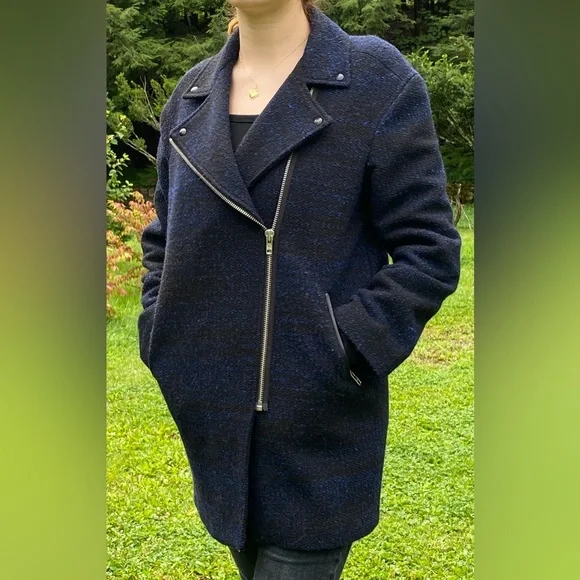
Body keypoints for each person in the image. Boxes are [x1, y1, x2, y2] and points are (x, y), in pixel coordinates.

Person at [137, 0, 462, 578]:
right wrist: (159, 331)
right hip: (214, 423)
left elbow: (429, 248)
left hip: (317, 429)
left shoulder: (374, 80)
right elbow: (165, 234)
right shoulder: (191, 96)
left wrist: (345, 350)